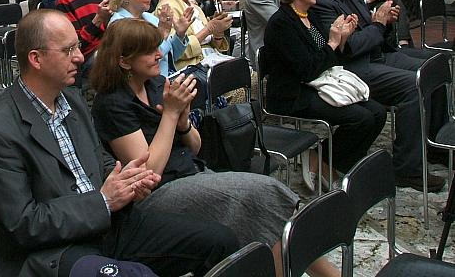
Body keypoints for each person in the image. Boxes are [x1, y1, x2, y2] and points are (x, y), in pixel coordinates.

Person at [0, 9, 240, 277]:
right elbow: (24, 224)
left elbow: (98, 160)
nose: (78, 57)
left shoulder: (71, 100)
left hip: (107, 224)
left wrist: (128, 179)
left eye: (77, 47)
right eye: (68, 50)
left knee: (221, 242)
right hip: (52, 250)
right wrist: (103, 201)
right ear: (36, 59)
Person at [90, 19, 339, 277]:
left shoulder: (156, 85)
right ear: (124, 62)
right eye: (149, 51)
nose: (159, 54)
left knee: (268, 213)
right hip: (158, 193)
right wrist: (171, 116)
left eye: (157, 47)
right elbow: (149, 173)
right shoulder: (112, 104)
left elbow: (196, 148)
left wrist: (184, 122)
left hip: (192, 172)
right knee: (265, 194)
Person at [311, 0, 447, 191]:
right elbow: (348, 48)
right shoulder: (322, 2)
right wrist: (378, 24)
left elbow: (371, 31)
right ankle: (406, 168)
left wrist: (386, 23)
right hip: (353, 67)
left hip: (378, 55)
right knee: (413, 85)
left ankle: (435, 146)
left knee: (434, 69)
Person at [263, 0, 387, 190]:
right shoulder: (281, 23)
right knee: (361, 118)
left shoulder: (309, 16)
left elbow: (326, 60)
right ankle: (324, 161)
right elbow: (307, 69)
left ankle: (327, 160)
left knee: (378, 113)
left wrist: (341, 40)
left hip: (318, 83)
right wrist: (332, 43)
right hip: (292, 93)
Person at [154, 0, 232, 73]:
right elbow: (175, 52)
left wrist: (218, 32)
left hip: (210, 60)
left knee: (247, 72)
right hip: (190, 68)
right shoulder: (166, 8)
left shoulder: (194, 6)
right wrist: (209, 28)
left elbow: (213, 44)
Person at [107, 0, 188, 77]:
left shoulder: (150, 18)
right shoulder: (119, 24)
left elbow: (170, 57)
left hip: (166, 79)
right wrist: (162, 34)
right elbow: (146, 63)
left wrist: (180, 34)